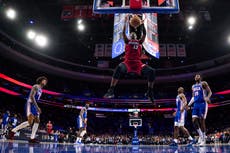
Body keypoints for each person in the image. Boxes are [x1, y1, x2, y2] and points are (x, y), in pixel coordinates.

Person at [104, 15, 156, 103]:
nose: (132, 34)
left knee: (152, 71)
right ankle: (111, 90)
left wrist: (142, 25)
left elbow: (144, 34)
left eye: (134, 34)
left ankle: (149, 92)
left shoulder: (140, 42)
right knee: (119, 68)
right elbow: (123, 32)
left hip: (138, 63)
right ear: (130, 35)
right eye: (131, 34)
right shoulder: (126, 41)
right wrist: (125, 22)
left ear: (135, 36)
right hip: (127, 63)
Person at [7, 76, 48, 143]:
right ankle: (13, 131)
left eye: (46, 81)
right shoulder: (36, 86)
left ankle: (32, 138)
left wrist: (37, 107)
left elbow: (36, 99)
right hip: (29, 104)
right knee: (30, 122)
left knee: (37, 120)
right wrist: (37, 107)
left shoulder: (41, 90)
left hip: (34, 105)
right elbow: (32, 97)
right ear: (40, 81)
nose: (45, 82)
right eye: (44, 80)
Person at [187, 74, 212, 146]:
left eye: (198, 76)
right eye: (195, 76)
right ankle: (201, 136)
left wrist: (207, 97)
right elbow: (193, 97)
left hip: (202, 103)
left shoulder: (203, 83)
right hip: (196, 104)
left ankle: (203, 139)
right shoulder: (193, 86)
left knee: (202, 120)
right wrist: (188, 104)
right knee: (194, 120)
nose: (196, 76)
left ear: (200, 77)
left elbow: (210, 92)